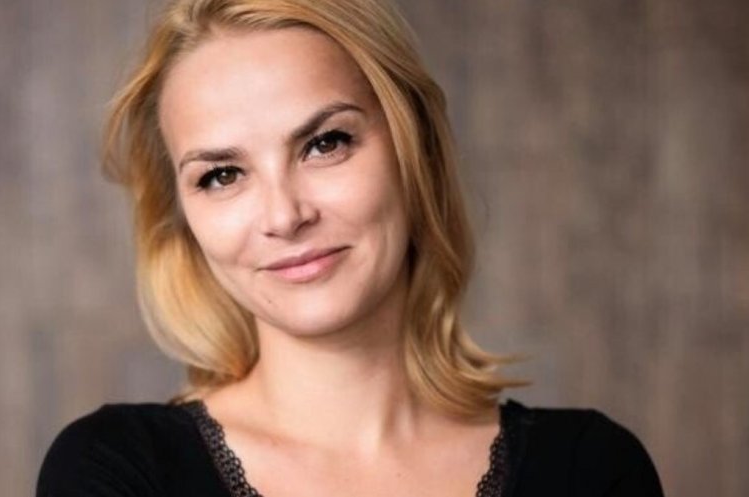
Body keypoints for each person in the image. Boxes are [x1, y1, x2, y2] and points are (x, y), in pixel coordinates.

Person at [36, 0, 664, 496]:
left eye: (325, 143)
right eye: (222, 175)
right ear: (183, 218)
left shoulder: (592, 470)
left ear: (416, 150)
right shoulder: (116, 470)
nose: (285, 216)